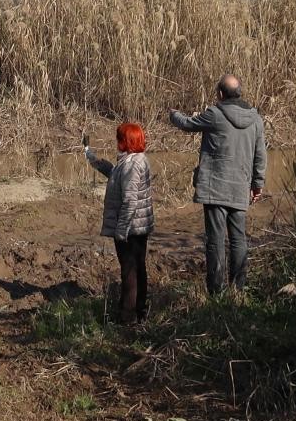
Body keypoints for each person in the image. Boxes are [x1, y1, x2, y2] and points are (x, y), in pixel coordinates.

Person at [169, 74, 266, 296]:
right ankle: (238, 289)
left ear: (221, 94)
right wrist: (257, 184)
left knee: (215, 241)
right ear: (239, 93)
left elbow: (187, 124)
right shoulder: (256, 120)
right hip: (240, 188)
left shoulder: (215, 114)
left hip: (215, 189)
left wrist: (173, 114)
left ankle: (216, 291)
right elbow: (261, 155)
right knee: (238, 239)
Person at [82, 120, 154, 324]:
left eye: (119, 138)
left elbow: (130, 200)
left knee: (129, 271)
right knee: (138, 267)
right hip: (139, 226)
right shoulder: (135, 160)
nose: (116, 142)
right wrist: (93, 159)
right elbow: (116, 174)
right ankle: (139, 311)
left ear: (125, 141)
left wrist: (121, 231)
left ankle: (128, 316)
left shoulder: (132, 165)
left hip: (130, 228)